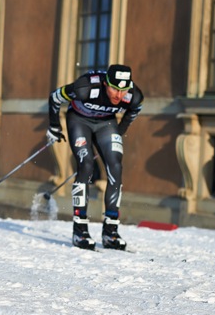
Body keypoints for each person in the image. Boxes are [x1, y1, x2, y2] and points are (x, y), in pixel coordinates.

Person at [47, 64, 144, 251]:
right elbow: (54, 97)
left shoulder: (134, 95)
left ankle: (111, 231)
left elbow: (134, 110)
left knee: (115, 166)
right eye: (115, 89)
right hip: (79, 120)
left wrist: (118, 133)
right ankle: (80, 230)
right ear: (106, 84)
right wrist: (54, 126)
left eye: (123, 90)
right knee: (86, 164)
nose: (119, 95)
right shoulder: (84, 88)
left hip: (106, 123)